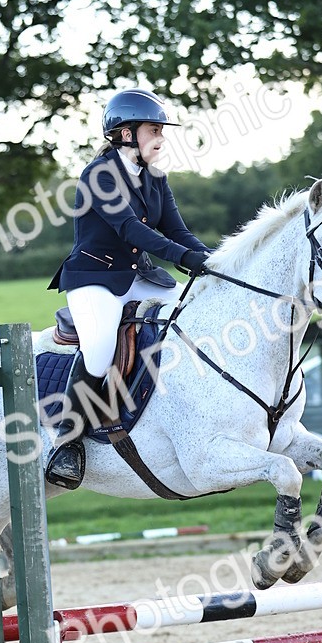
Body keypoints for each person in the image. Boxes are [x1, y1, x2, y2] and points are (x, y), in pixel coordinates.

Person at [45, 88, 212, 489]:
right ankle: (67, 441)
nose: (161, 138)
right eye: (154, 130)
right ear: (125, 133)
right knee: (101, 346)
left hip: (140, 278)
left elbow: (178, 231)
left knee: (194, 317)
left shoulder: (155, 179)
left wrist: (215, 261)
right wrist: (185, 259)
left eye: (161, 131)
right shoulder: (98, 175)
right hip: (94, 279)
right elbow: (131, 229)